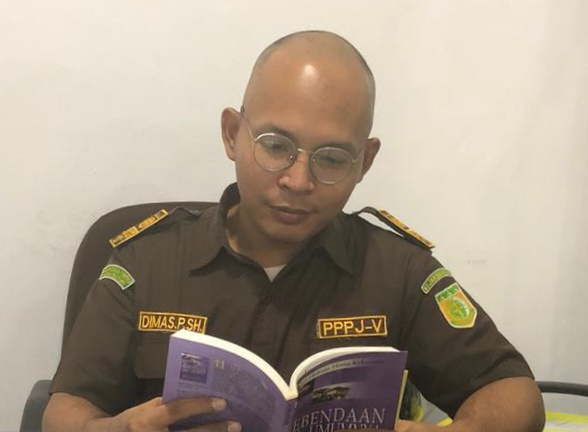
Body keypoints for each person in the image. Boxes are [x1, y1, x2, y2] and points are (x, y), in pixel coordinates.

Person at [43, 30, 545, 432]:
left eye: (332, 158)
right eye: (275, 145)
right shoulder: (145, 263)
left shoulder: (398, 271)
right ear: (232, 134)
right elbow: (64, 408)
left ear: (365, 162)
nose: (298, 181)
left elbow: (515, 393)